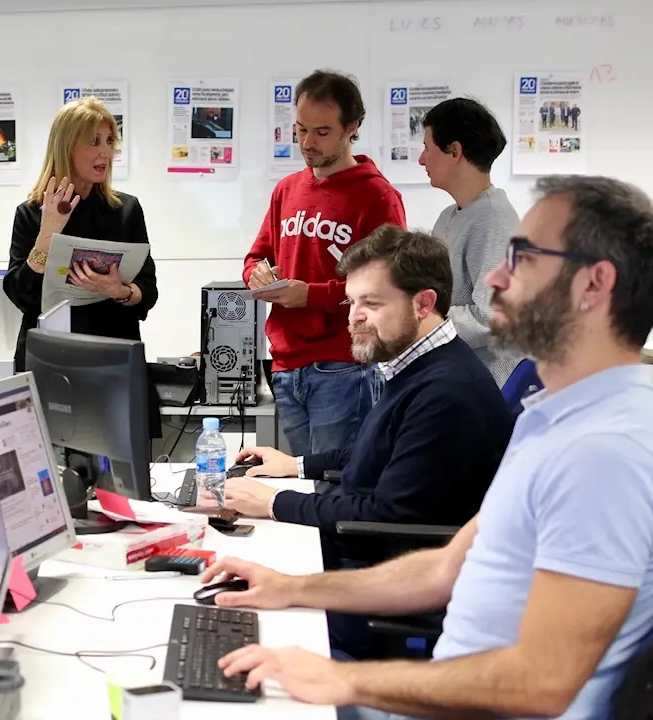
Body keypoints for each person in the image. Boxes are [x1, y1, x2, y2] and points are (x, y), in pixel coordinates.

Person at [207, 175, 653, 720]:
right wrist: (292, 587)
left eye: (522, 260)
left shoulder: (604, 451)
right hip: (445, 684)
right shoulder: (553, 418)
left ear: (594, 284)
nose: (495, 278)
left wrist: (343, 679)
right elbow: (443, 569)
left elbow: (543, 682)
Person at [219, 224, 514, 659]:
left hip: (378, 585)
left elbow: (386, 514)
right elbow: (375, 451)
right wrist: (295, 466)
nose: (353, 316)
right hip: (361, 558)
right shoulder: (415, 364)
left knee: (235, 625)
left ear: (423, 303)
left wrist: (275, 502)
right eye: (351, 301)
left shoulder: (446, 392)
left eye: (371, 303)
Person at [243, 70, 407, 456]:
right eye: (300, 130)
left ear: (352, 128)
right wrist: (256, 274)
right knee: (304, 480)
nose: (306, 143)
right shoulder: (287, 190)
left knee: (335, 482)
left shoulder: (377, 196)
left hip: (343, 365)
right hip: (286, 365)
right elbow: (255, 257)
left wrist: (311, 296)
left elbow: (388, 285)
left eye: (321, 132)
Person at [3, 96, 157, 370]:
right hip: (49, 356)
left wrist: (120, 291)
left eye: (109, 141)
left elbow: (148, 290)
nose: (106, 153)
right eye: (94, 142)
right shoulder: (31, 213)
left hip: (114, 354)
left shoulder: (126, 210)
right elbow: (21, 296)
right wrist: (48, 233)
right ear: (66, 147)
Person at [419, 97, 522, 385]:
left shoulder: (494, 220)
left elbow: (493, 317)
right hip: (452, 371)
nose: (421, 159)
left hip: (485, 384)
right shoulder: (449, 216)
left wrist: (420, 320)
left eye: (427, 148)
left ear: (454, 151)